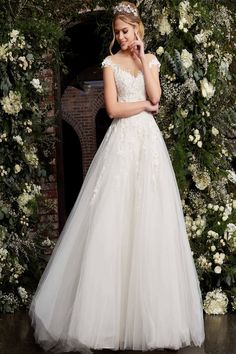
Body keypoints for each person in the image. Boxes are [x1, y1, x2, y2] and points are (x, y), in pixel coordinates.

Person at [29, 1, 205, 353]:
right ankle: (105, 322)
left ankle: (150, 319)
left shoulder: (149, 60)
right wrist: (141, 106)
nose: (122, 37)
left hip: (149, 147)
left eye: (126, 30)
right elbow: (114, 109)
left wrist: (142, 61)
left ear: (138, 29)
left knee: (150, 219)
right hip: (122, 141)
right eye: (118, 32)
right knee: (114, 219)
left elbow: (156, 96)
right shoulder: (109, 65)